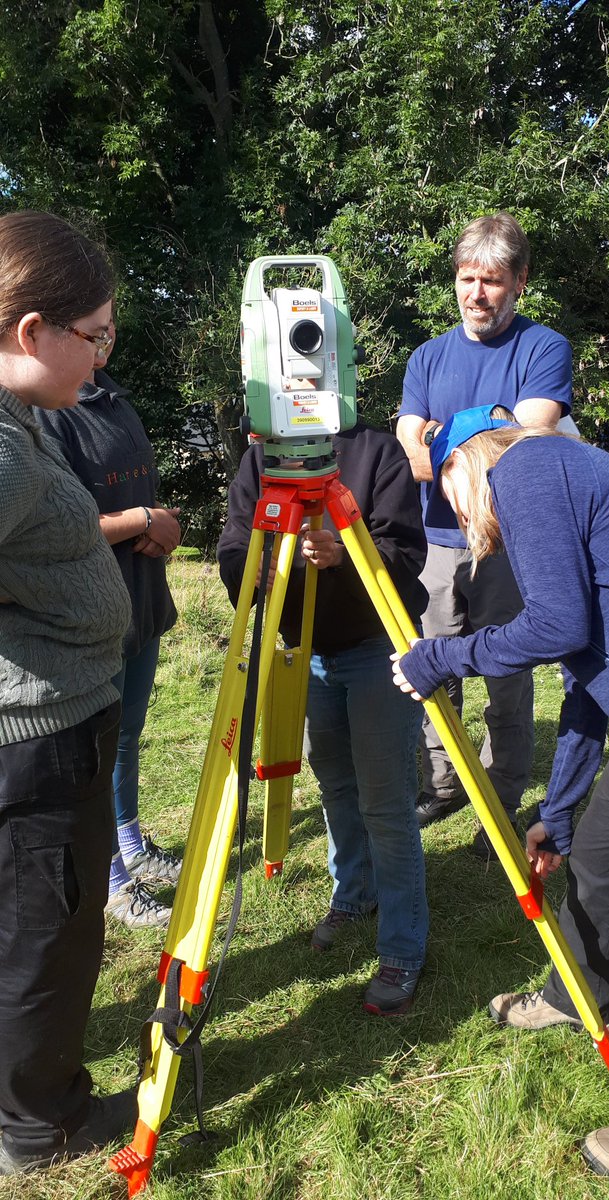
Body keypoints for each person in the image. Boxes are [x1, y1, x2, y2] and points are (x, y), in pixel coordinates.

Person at [391, 404, 609, 1185]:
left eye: (448, 495)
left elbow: (553, 625)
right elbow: (587, 674)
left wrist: (442, 657)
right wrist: (556, 809)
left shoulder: (529, 467)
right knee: (599, 863)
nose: (458, 516)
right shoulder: (555, 477)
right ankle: (577, 991)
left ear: (463, 463)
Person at [0, 210, 138, 1173]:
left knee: (42, 922)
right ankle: (39, 1125)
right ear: (29, 333)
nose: (99, 358)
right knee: (43, 935)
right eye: (90, 337)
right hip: (36, 738)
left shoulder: (23, 416)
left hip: (64, 716)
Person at [217, 422, 429, 1015]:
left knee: (386, 801)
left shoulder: (378, 452)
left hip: (375, 646)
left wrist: (343, 552)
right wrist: (253, 571)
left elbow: (406, 552)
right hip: (305, 652)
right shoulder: (264, 458)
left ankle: (403, 946)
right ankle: (354, 893)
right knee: (336, 784)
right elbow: (235, 541)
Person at [397, 211, 576, 855]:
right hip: (439, 541)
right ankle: (445, 783)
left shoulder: (544, 348)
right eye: (467, 278)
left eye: (492, 281)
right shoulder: (428, 355)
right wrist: (480, 428)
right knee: (431, 669)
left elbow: (529, 437)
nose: (477, 293)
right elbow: (410, 442)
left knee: (507, 670)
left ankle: (499, 793)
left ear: (520, 282)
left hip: (508, 543)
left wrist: (446, 436)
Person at [36, 325, 182, 929]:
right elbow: (58, 524)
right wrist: (144, 520)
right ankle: (113, 883)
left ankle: (129, 840)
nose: (109, 336)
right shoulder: (50, 414)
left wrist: (151, 522)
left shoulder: (114, 399)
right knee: (96, 746)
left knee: (128, 735)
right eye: (93, 326)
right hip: (92, 611)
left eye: (112, 325)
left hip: (139, 599)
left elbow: (129, 493)